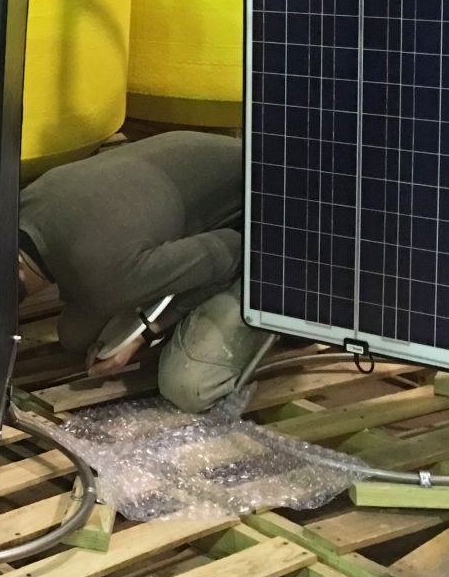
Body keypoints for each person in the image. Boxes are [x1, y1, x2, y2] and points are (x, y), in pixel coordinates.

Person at [17, 131, 276, 411]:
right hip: (198, 165)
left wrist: (149, 330)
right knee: (76, 335)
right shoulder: (25, 203)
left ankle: (283, 318)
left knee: (189, 387)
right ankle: (167, 273)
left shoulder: (102, 281)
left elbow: (232, 252)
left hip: (271, 226)